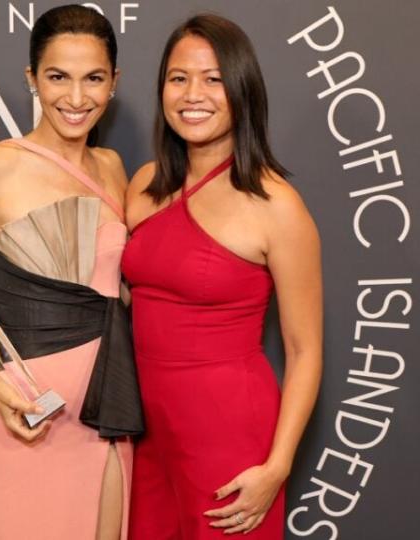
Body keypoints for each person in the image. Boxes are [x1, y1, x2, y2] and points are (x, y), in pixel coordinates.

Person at [122, 14, 323, 538]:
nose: (193, 94)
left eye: (213, 79)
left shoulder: (277, 205)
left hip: (229, 437)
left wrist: (277, 467)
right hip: (146, 435)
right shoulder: (144, 184)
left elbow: (304, 351)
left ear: (241, 89)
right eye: (178, 77)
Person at [0, 6, 142, 539]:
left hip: (107, 406)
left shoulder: (114, 170)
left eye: (93, 79)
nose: (76, 99)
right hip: (28, 406)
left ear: (114, 83)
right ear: (32, 78)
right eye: (58, 77)